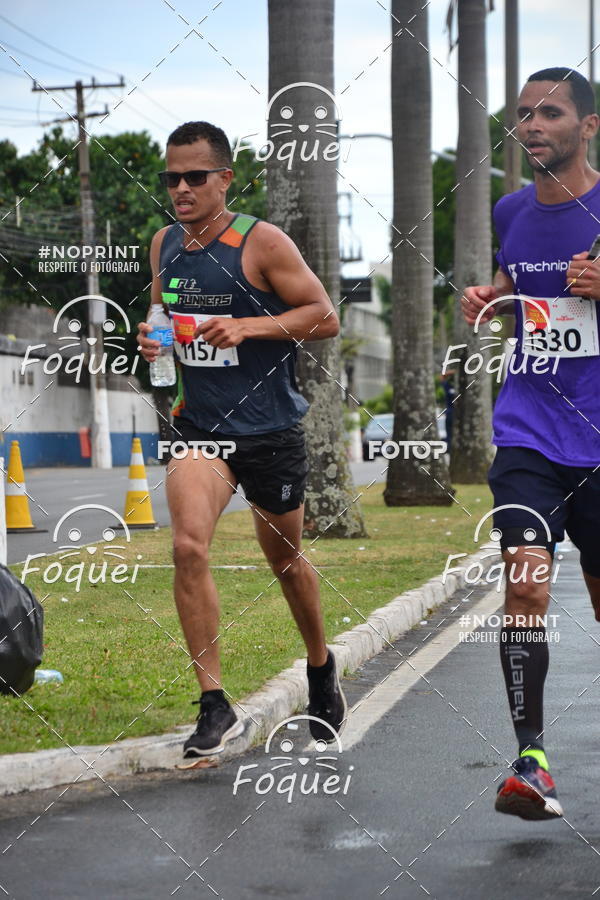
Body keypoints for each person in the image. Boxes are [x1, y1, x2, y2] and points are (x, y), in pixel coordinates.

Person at [137, 121, 346, 759]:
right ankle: (214, 702)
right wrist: (153, 337)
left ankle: (320, 665)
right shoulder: (165, 244)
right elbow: (161, 315)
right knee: (187, 546)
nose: (181, 189)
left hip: (269, 431)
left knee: (286, 563)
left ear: (225, 178)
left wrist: (248, 327)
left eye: (195, 177)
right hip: (200, 427)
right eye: (172, 178)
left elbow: (325, 317)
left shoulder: (261, 242)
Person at [461, 68, 600, 820]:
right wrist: (492, 296)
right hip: (528, 432)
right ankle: (531, 760)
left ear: (589, 126)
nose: (533, 125)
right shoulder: (509, 209)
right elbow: (514, 285)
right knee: (525, 586)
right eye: (523, 115)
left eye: (550, 113)